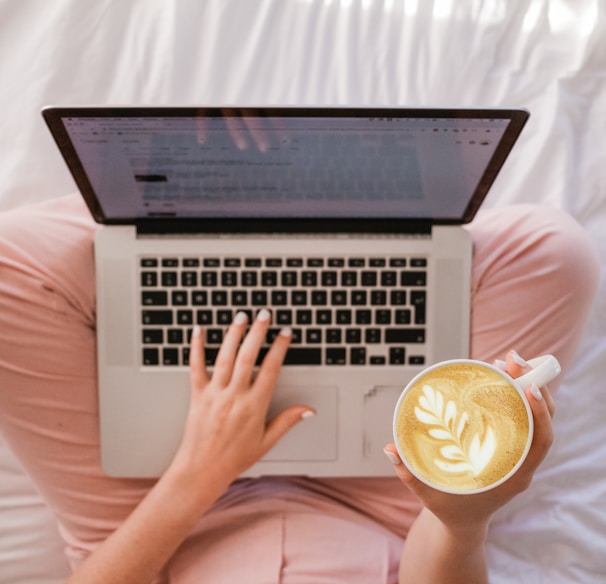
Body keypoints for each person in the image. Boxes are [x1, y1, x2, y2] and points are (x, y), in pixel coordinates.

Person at [0, 194, 600, 584]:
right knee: (553, 249)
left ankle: (203, 199)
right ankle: (343, 208)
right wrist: (461, 520)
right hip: (390, 513)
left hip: (159, 521)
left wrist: (199, 472)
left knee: (9, 262)